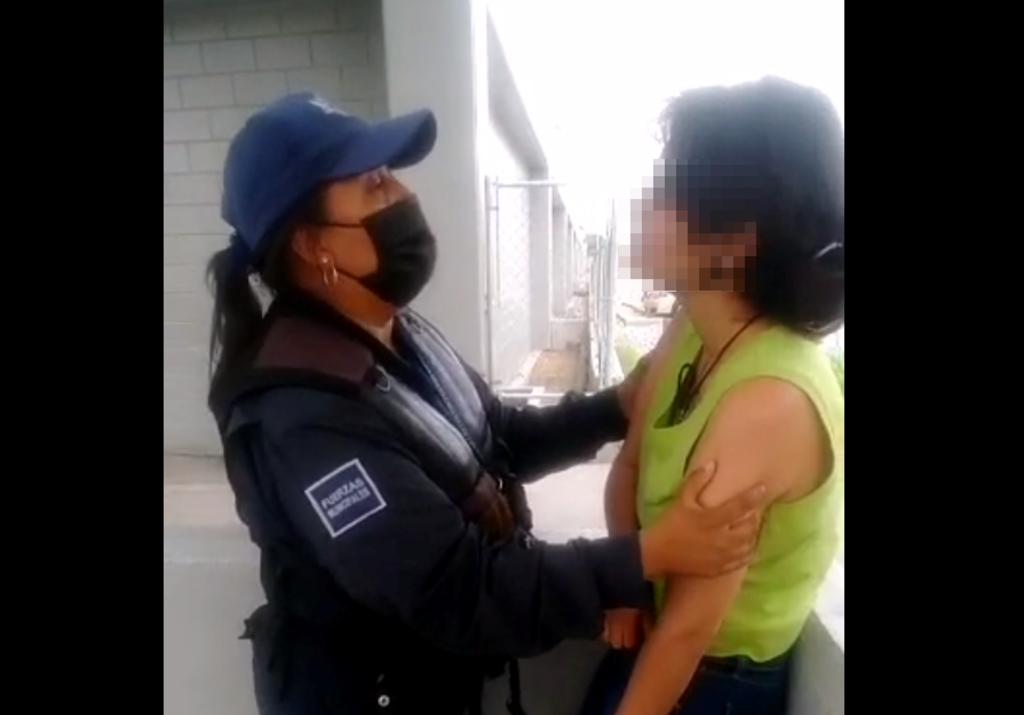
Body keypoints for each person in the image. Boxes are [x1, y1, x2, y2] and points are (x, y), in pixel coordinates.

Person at [204, 93, 770, 715]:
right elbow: (458, 589)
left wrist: (615, 407)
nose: (405, 195)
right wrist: (649, 554)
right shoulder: (303, 417)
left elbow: (492, 437)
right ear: (314, 245)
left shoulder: (391, 330)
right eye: (374, 185)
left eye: (392, 175)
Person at [584, 76, 844, 715]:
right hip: (653, 639)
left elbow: (690, 630)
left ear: (735, 240)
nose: (645, 204)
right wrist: (627, 589)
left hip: (712, 683)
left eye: (667, 190)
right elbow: (629, 470)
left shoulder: (767, 402)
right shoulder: (690, 330)